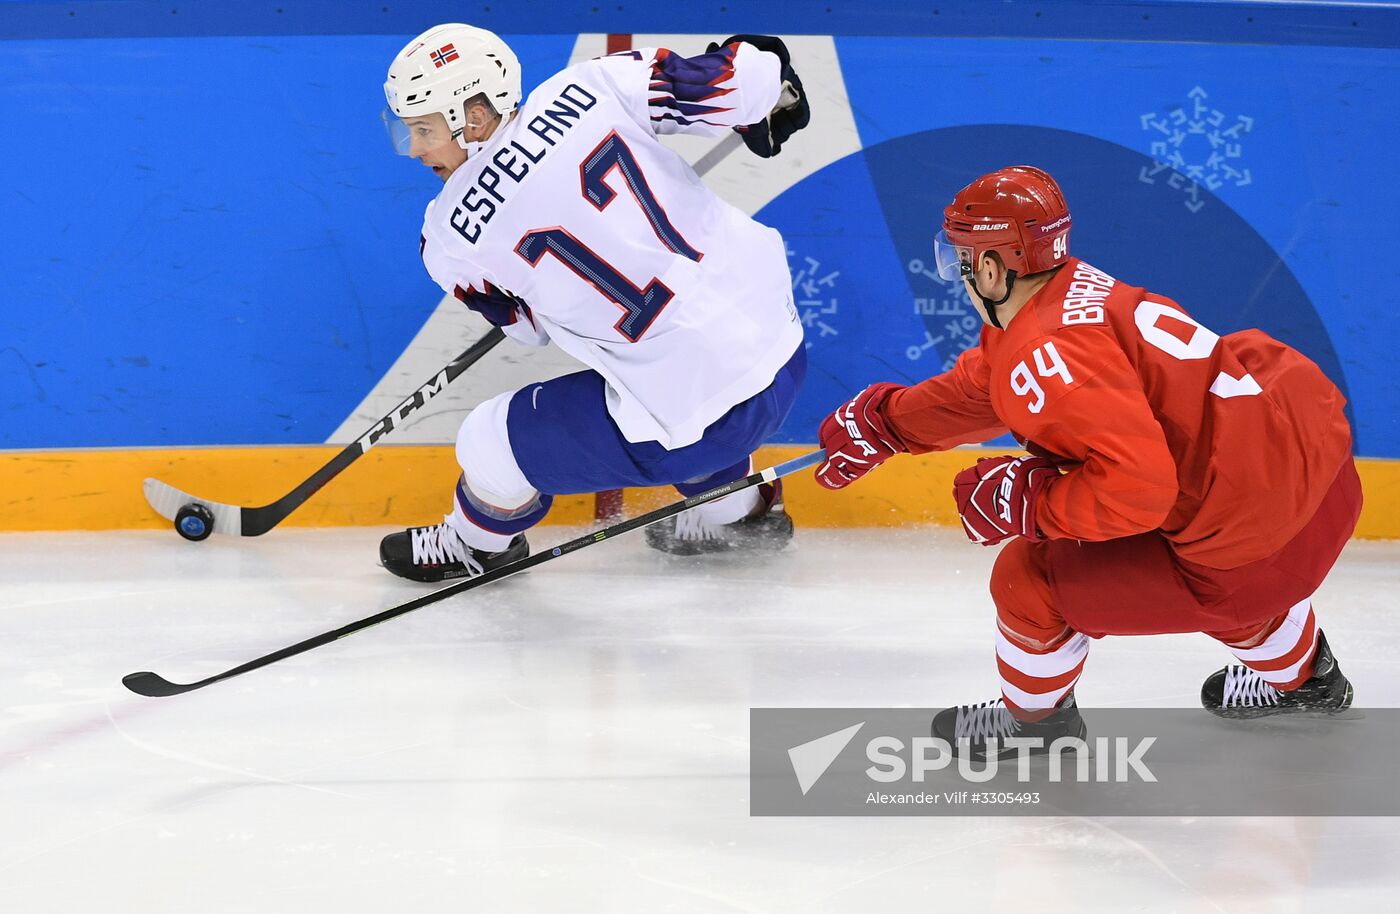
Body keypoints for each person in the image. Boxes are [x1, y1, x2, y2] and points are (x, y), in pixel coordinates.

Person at [814, 165, 1361, 756]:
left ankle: (1034, 726)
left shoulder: (1044, 348)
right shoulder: (1072, 290)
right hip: (1322, 494)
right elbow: (996, 386)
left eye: (964, 262)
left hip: (1252, 558)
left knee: (1031, 578)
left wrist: (1030, 503)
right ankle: (1308, 680)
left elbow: (1136, 491)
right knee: (1198, 534)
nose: (962, 277)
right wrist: (889, 423)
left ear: (993, 269)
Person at [376, 24, 811, 581]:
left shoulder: (446, 236)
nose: (414, 149)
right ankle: (744, 513)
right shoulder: (593, 84)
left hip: (694, 424)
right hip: (781, 349)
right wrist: (769, 79)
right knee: (678, 383)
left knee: (488, 438)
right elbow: (748, 79)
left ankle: (474, 544)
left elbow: (528, 328)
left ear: (476, 115)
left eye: (423, 129)